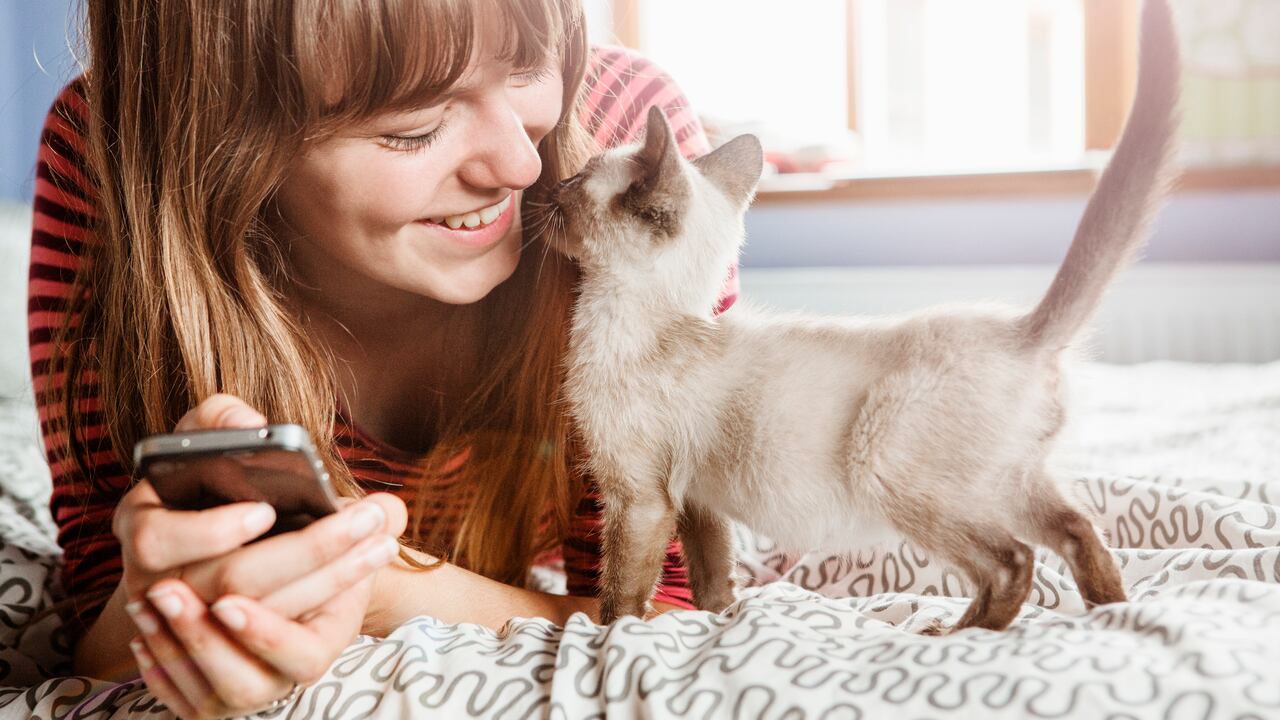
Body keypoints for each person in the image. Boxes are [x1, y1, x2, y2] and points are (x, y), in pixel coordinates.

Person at [28, 0, 738, 716]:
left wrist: (384, 589)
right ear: (223, 139)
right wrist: (181, 599)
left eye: (528, 64)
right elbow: (96, 627)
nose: (522, 165)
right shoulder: (110, 147)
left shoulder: (629, 153)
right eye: (414, 128)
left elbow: (680, 617)